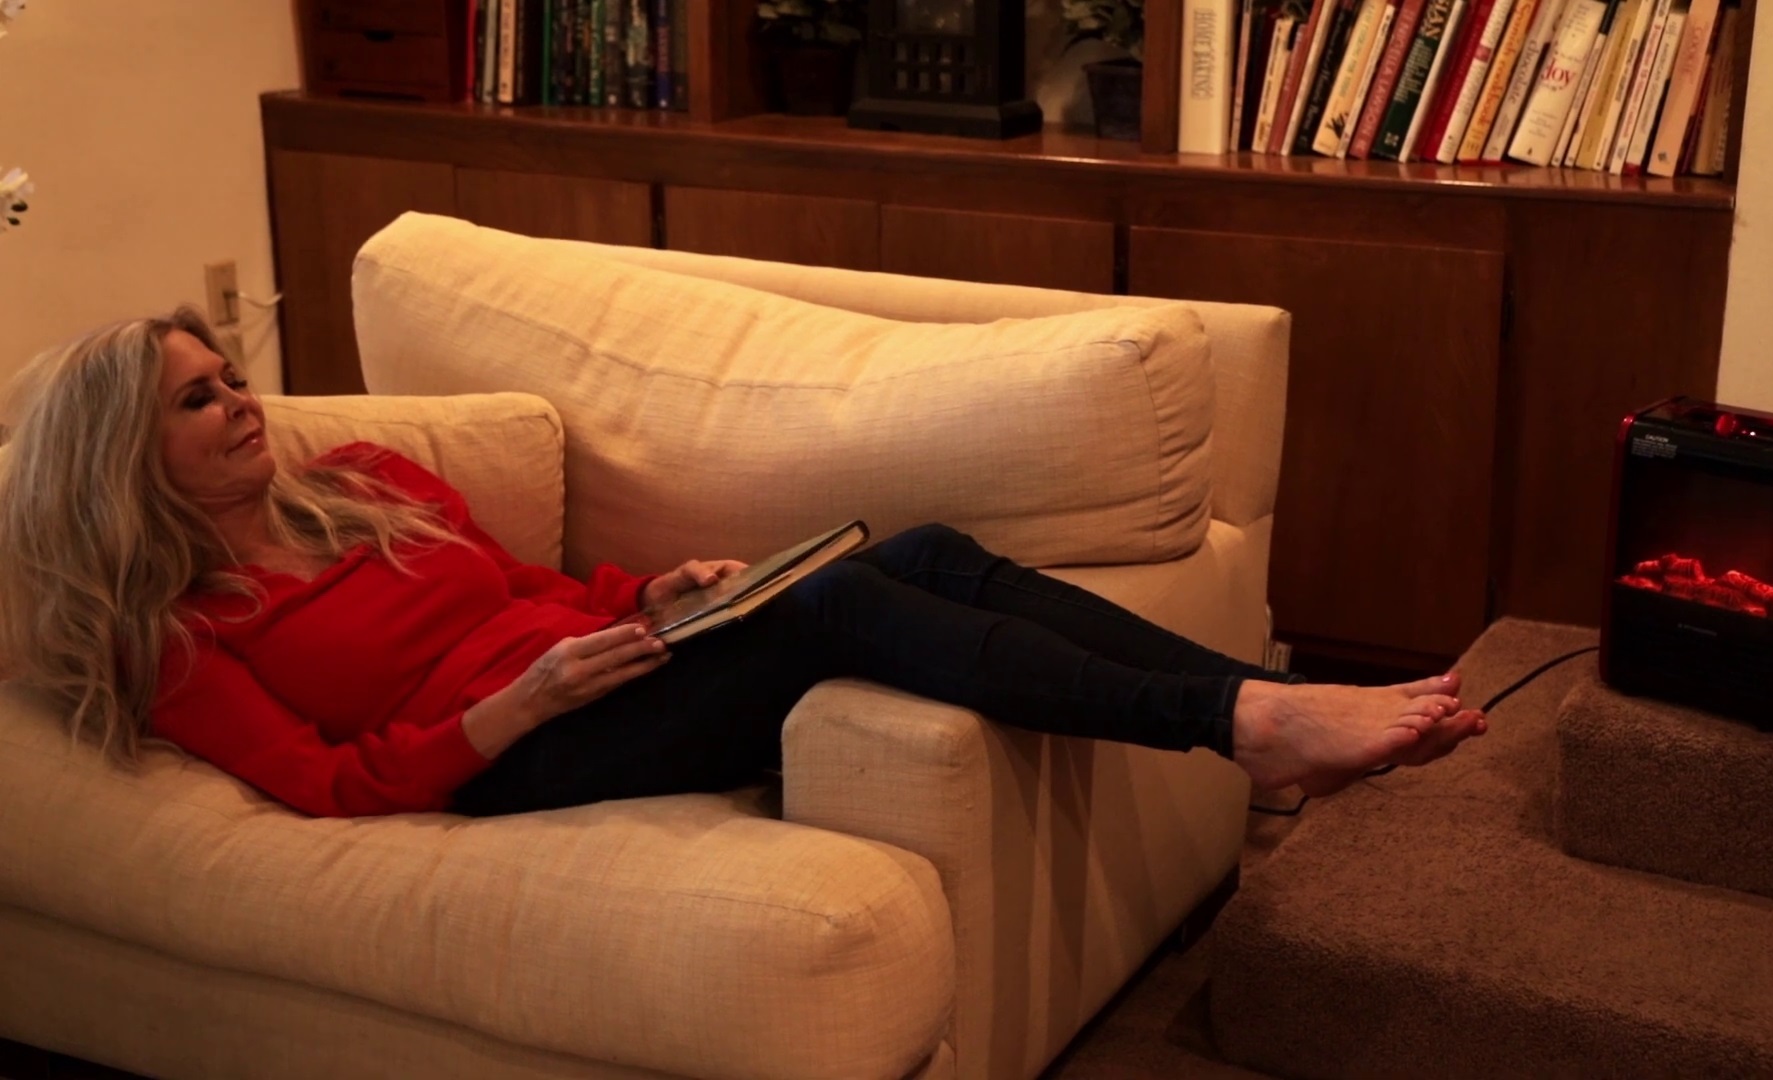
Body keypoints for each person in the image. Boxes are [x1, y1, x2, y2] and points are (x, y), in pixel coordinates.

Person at [0, 308, 1487, 819]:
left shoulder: (365, 487)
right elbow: (329, 784)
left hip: (602, 668)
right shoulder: (173, 635)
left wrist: (637, 598)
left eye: (231, 376)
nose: (241, 402)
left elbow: (531, 596)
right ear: (122, 456)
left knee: (922, 548)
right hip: (517, 756)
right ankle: (1246, 723)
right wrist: (513, 708)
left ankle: (1252, 706)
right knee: (837, 600)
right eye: (196, 400)